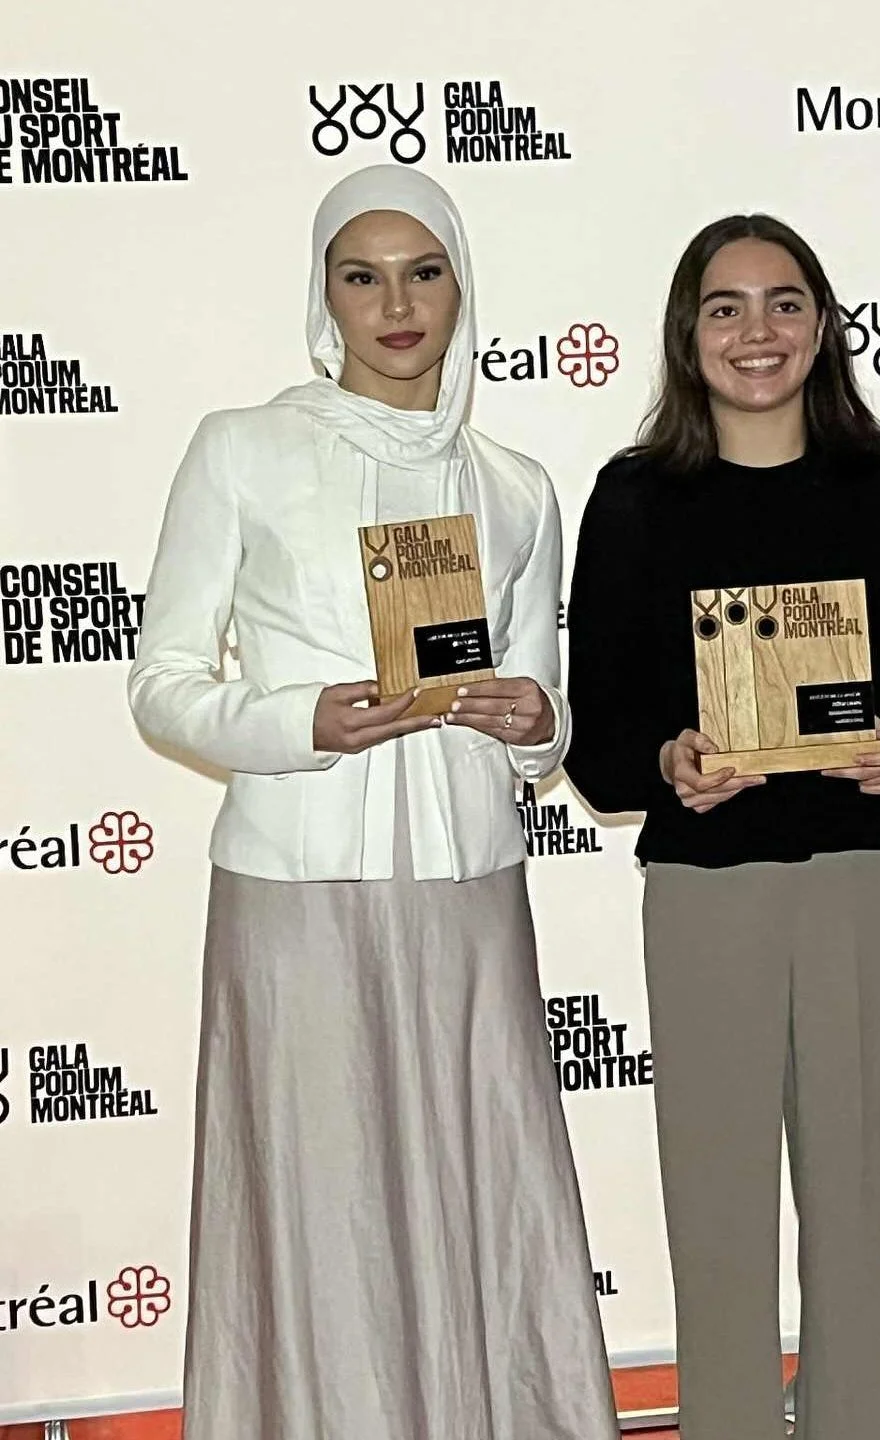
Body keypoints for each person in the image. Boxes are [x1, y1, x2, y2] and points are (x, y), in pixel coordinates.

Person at [128, 164, 617, 1440]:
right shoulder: (243, 448)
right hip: (294, 889)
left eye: (424, 272)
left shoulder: (515, 486)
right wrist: (298, 721)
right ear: (324, 295)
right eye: (363, 275)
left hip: (468, 893)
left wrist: (537, 724)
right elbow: (165, 686)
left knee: (486, 1182)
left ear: (461, 289)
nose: (396, 304)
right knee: (317, 1195)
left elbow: (540, 711)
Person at [564, 213, 880, 1440]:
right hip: (707, 889)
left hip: (856, 877)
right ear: (688, 336)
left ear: (824, 324)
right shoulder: (636, 498)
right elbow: (602, 731)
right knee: (717, 1202)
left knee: (857, 1205)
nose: (760, 332)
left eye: (786, 302)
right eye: (728, 307)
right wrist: (665, 760)